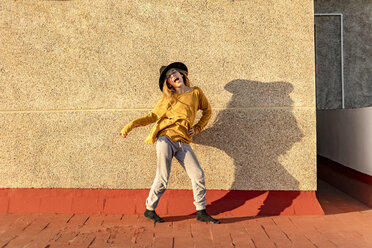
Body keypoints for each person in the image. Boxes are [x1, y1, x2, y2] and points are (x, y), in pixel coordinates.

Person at [120, 62, 220, 224]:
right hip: (165, 139)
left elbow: (207, 111)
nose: (172, 76)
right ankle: (149, 209)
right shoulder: (169, 98)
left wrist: (198, 128)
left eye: (173, 72)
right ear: (169, 83)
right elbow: (152, 116)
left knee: (198, 174)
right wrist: (130, 125)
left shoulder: (196, 92)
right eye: (168, 77)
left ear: (181, 74)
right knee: (163, 177)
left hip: (183, 142)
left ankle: (201, 212)